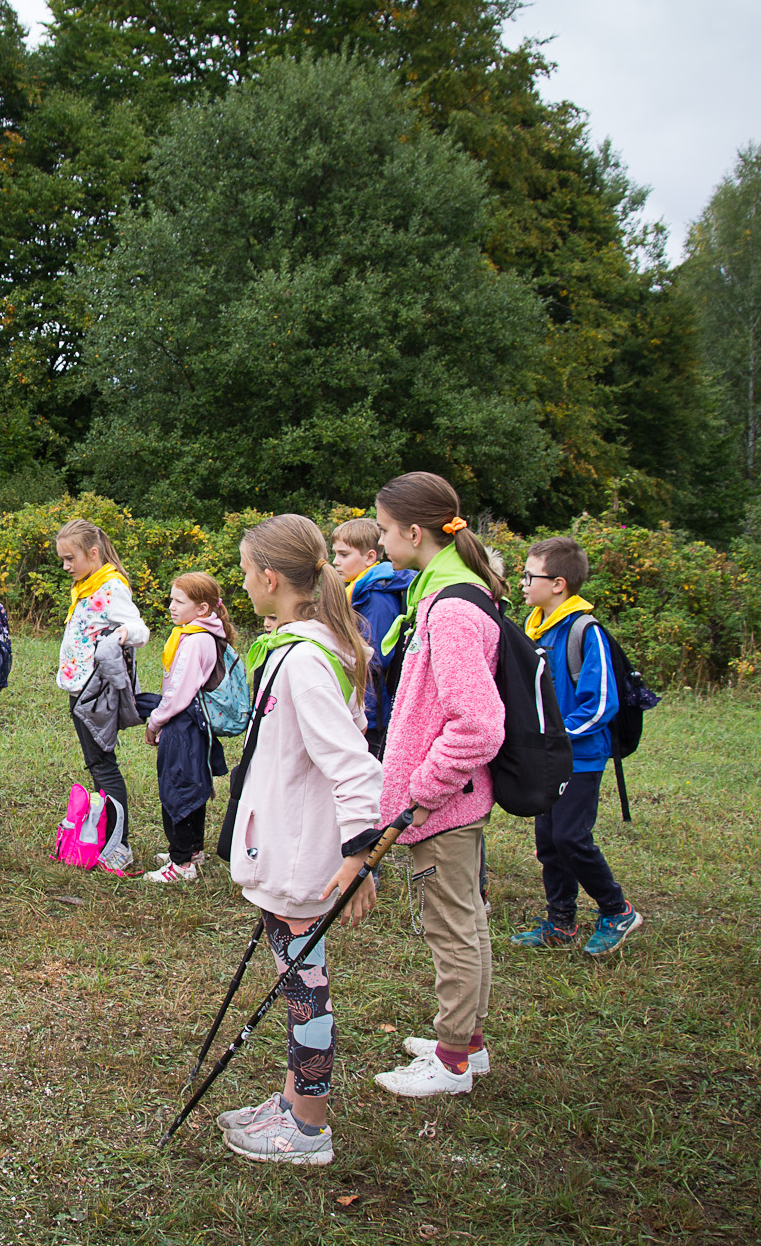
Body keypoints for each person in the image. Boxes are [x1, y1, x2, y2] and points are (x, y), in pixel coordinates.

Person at [214, 515, 382, 1165]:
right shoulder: (301, 648)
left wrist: (357, 855)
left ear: (270, 577)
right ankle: (291, 1100)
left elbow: (353, 766)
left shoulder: (305, 662)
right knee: (298, 982)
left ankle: (307, 1126)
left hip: (303, 853)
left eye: (246, 571)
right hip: (286, 842)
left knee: (305, 989)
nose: (244, 585)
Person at [367, 472, 507, 1098]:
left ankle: (451, 1060)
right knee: (465, 921)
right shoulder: (446, 592)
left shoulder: (449, 608)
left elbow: (477, 726)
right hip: (451, 802)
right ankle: (467, 1042)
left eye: (384, 529)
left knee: (450, 928)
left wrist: (421, 792)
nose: (379, 537)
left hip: (443, 806)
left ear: (414, 532)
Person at [513, 536, 643, 955]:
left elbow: (602, 701)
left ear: (559, 584)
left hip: (580, 758)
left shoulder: (585, 632)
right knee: (549, 841)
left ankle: (616, 909)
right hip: (548, 758)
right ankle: (561, 921)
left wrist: (556, 737)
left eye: (530, 575)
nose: (522, 582)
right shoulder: (535, 628)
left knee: (571, 837)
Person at [55, 519, 150, 871]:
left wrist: (120, 635)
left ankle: (119, 847)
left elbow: (140, 630)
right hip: (79, 692)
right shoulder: (87, 585)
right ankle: (104, 835)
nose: (66, 566)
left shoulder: (110, 587)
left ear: (92, 553)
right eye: (62, 559)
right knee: (98, 766)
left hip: (95, 695)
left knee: (103, 767)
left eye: (70, 558)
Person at [141, 572, 235, 884]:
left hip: (184, 724)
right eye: (172, 599)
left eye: (179, 601)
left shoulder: (195, 641)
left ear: (203, 608)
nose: (171, 606)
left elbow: (178, 692)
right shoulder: (202, 635)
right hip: (196, 725)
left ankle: (181, 864)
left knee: (178, 790)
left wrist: (155, 722)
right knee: (193, 787)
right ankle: (192, 850)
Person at [331, 517, 413, 760]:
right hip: (359, 698)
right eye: (335, 553)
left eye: (344, 554)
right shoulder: (357, 590)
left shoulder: (376, 596)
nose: (335, 561)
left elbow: (377, 656)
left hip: (372, 705)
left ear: (369, 557)